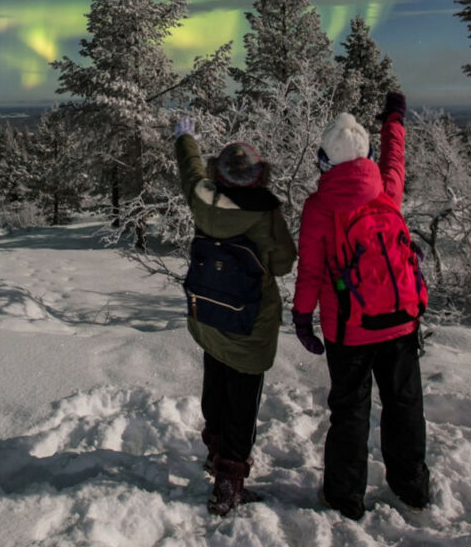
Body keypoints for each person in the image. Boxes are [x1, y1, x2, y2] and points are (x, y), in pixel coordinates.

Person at [291, 94, 431, 519]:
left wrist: (302, 317)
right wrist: (394, 118)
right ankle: (412, 488)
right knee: (404, 406)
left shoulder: (319, 207)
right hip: (401, 322)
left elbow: (311, 271)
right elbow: (395, 157)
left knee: (350, 412)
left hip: (348, 329)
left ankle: (344, 496)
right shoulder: (386, 190)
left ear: (325, 160)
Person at [173, 116, 297, 516]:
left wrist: (185, 138)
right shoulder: (265, 214)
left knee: (216, 383)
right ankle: (228, 484)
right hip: (249, 326)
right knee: (243, 401)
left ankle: (215, 452)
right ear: (257, 177)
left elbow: (189, 171)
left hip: (209, 316)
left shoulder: (202, 199)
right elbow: (282, 263)